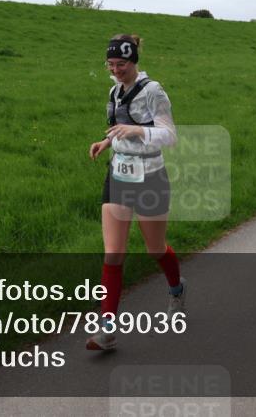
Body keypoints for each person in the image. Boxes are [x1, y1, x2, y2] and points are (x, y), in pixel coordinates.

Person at [86, 34, 184, 351]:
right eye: (111, 65)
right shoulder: (115, 91)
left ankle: (177, 289)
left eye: (121, 65)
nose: (115, 70)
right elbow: (120, 129)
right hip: (118, 175)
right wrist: (108, 142)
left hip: (150, 176)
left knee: (155, 249)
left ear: (134, 62)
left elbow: (170, 136)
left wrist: (139, 130)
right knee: (113, 252)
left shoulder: (153, 91)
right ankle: (107, 328)